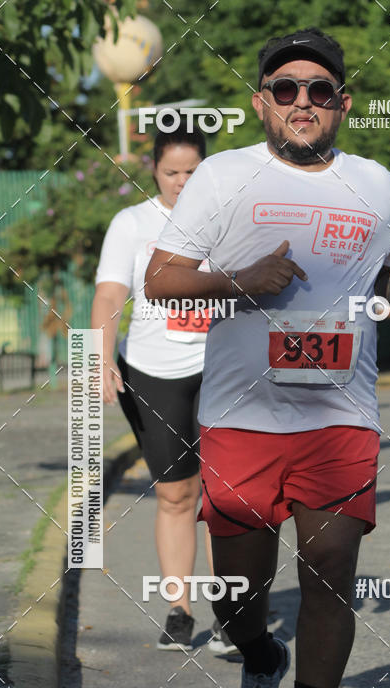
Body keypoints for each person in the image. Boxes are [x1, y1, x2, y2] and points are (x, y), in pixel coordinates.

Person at [145, 27, 390, 688]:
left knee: (331, 570)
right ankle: (261, 659)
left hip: (342, 412)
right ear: (260, 101)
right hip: (243, 415)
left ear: (342, 103)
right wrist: (241, 279)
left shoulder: (376, 182)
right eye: (285, 88)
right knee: (237, 594)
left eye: (320, 89)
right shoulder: (221, 178)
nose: (302, 101)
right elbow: (160, 280)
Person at [91, 125, 237, 656]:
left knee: (225, 496)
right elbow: (109, 293)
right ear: (154, 170)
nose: (180, 182)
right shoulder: (132, 224)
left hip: (224, 371)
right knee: (177, 494)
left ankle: (229, 612)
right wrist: (100, 357)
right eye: (171, 172)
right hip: (154, 374)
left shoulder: (230, 220)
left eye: (192, 172)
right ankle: (179, 608)